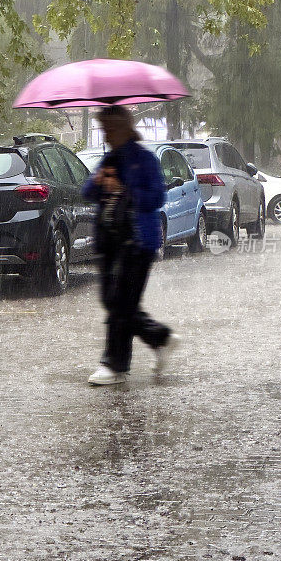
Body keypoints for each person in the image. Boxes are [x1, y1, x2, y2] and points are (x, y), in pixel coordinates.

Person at [82, 105, 181, 386]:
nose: (107, 134)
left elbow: (156, 199)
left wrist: (124, 189)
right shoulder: (109, 159)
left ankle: (114, 365)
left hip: (138, 241)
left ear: (125, 128)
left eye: (110, 128)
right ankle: (160, 338)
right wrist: (98, 181)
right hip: (109, 240)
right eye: (104, 129)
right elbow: (87, 192)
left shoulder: (144, 160)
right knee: (113, 301)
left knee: (121, 304)